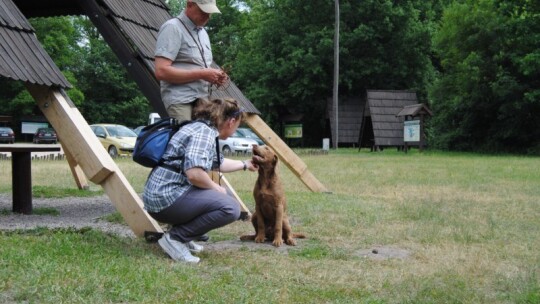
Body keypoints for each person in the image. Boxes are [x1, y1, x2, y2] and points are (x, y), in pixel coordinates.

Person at [143, 98, 258, 263]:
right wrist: (214, 187)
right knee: (230, 207)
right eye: (238, 125)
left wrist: (245, 164)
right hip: (165, 197)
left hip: (160, 194)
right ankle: (175, 238)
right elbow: (194, 173)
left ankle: (183, 237)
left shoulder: (199, 128)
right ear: (232, 121)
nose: (236, 129)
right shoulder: (204, 133)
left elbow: (218, 163)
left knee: (223, 199)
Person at [154, 0, 228, 123]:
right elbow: (161, 72)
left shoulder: (203, 33)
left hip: (203, 101)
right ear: (189, 4)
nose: (208, 16)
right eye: (204, 11)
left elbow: (202, 68)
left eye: (210, 12)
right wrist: (202, 74)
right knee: (187, 139)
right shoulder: (172, 27)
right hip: (181, 101)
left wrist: (215, 76)